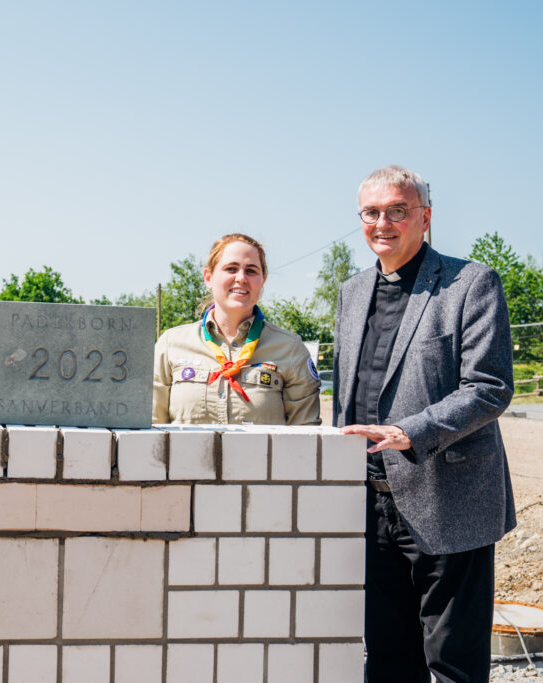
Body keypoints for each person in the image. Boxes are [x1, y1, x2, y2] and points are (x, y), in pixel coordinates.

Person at [334, 166, 515, 683]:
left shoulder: (470, 282)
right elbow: (346, 395)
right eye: (372, 213)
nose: (383, 223)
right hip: (372, 502)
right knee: (388, 660)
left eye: (398, 210)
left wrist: (411, 431)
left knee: (452, 664)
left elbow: (489, 387)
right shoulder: (351, 292)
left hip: (448, 497)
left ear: (425, 218)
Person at [153, 233, 321, 425]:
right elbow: (151, 428)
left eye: (251, 271)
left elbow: (305, 436)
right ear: (208, 277)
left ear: (263, 279)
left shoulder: (290, 349)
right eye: (231, 268)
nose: (241, 278)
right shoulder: (171, 344)